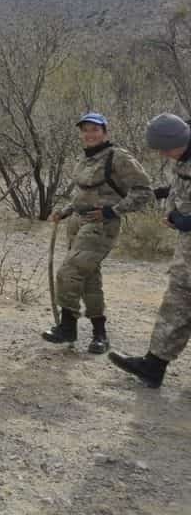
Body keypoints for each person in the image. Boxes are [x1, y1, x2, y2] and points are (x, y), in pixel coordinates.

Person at [42, 113, 152, 353]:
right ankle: (99, 335)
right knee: (90, 279)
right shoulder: (85, 159)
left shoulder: (118, 157)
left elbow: (144, 192)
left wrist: (113, 211)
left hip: (100, 226)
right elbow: (83, 194)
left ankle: (67, 325)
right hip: (78, 224)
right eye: (85, 130)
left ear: (105, 132)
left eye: (95, 129)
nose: (89, 134)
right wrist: (66, 211)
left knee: (69, 272)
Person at [109, 113, 191, 388]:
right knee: (176, 304)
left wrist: (180, 221)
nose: (164, 155)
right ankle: (153, 365)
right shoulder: (183, 157)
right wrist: (159, 194)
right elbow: (183, 188)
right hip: (187, 254)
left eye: (166, 149)